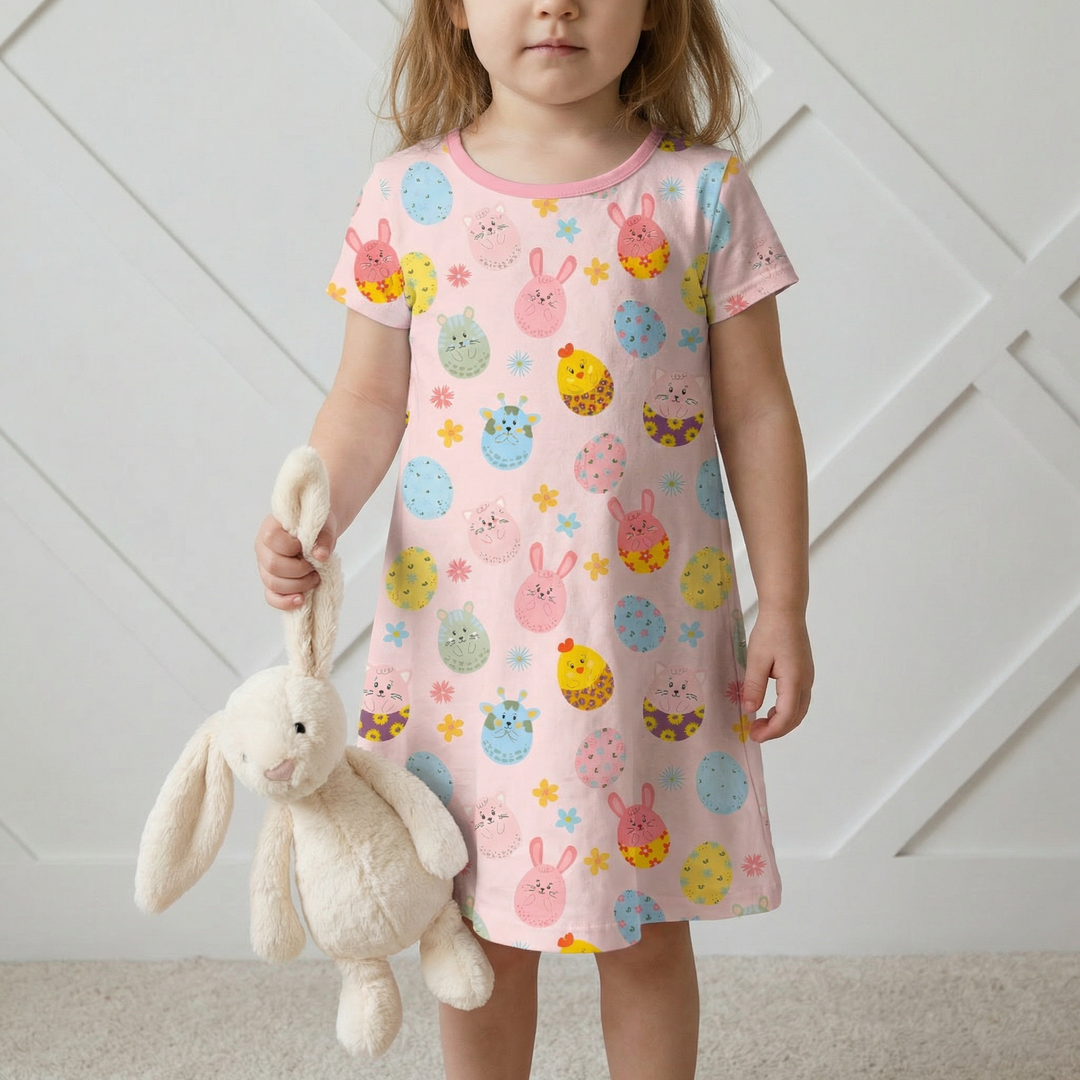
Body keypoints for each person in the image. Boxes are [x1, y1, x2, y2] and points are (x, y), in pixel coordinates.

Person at [255, 1, 814, 1076]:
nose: (557, 4)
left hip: (641, 638)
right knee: (473, 927)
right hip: (468, 650)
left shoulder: (700, 194)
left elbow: (757, 413)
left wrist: (783, 601)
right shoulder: (407, 196)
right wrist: (309, 513)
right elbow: (367, 402)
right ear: (456, 9)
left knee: (645, 928)